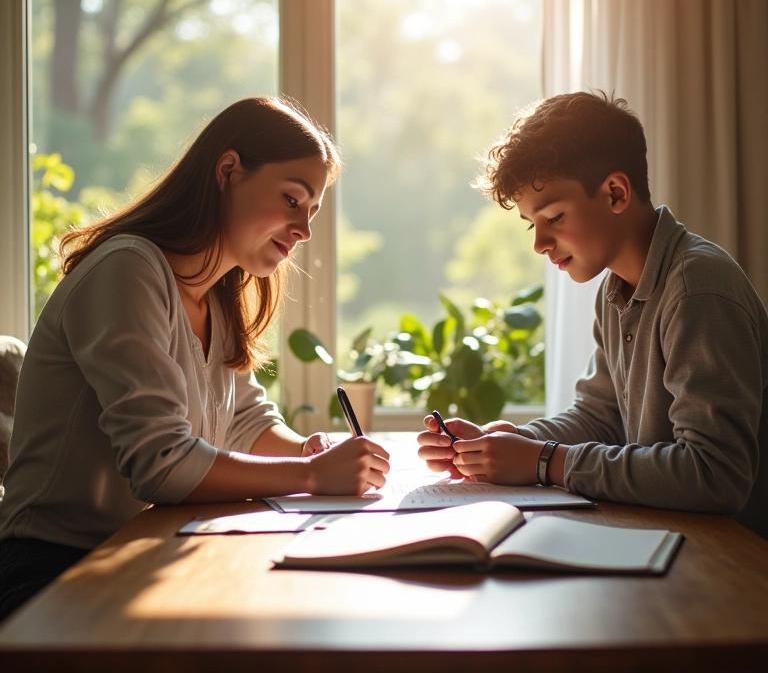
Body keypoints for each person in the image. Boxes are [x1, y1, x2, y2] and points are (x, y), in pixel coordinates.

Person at [0, 96, 390, 620]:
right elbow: (161, 466)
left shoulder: (218, 293)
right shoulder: (128, 270)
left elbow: (245, 422)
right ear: (228, 170)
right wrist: (315, 475)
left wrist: (305, 452)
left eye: (312, 211)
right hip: (55, 570)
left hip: (148, 552)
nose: (305, 231)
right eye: (292, 200)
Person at [417, 90, 768, 539]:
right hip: (668, 537)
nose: (539, 244)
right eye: (533, 224)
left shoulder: (697, 289)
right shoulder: (616, 289)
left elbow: (714, 476)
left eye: (555, 217)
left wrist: (543, 461)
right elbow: (601, 418)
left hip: (733, 565)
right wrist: (510, 441)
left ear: (616, 193)